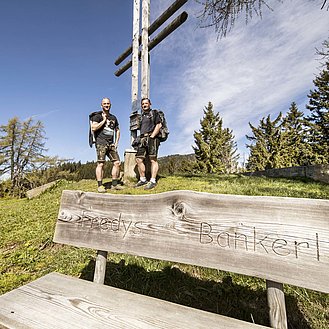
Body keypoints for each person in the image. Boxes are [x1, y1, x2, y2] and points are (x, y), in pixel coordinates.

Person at [90, 97, 123, 192]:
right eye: (104, 104)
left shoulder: (113, 117)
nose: (106, 105)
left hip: (111, 144)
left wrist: (116, 143)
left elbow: (117, 130)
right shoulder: (98, 116)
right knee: (101, 163)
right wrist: (104, 121)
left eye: (108, 103)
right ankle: (100, 185)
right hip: (101, 143)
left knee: (117, 163)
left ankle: (114, 184)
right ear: (101, 105)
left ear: (110, 105)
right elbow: (93, 128)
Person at [135, 98, 162, 190]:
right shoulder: (141, 116)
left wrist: (152, 136)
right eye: (143, 104)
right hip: (142, 139)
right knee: (138, 159)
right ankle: (143, 179)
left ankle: (153, 180)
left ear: (150, 104)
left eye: (146, 103)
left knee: (153, 159)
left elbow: (159, 125)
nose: (144, 105)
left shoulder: (154, 113)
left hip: (152, 138)